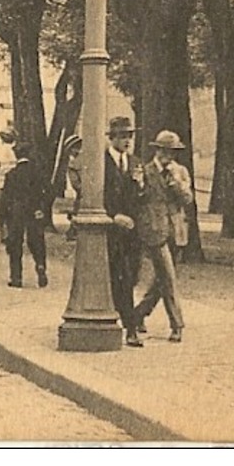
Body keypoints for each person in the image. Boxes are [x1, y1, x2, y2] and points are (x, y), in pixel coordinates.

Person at [136, 130, 194, 342]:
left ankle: (137, 315)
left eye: (173, 152)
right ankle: (177, 324)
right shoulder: (145, 170)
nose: (169, 156)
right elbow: (139, 198)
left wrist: (176, 184)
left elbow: (188, 199)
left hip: (177, 231)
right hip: (154, 231)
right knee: (168, 278)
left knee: (161, 280)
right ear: (158, 150)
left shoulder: (180, 171)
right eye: (166, 151)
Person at [104, 116, 145, 347]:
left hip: (132, 232)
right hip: (111, 231)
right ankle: (130, 329)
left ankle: (123, 316)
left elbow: (141, 197)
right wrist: (113, 216)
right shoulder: (101, 163)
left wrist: (140, 187)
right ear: (112, 138)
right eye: (121, 136)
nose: (126, 140)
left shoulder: (136, 162)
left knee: (131, 277)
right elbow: (93, 196)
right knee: (120, 276)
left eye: (129, 136)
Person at [0, 140, 50, 288]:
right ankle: (40, 265)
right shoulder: (37, 172)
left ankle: (17, 278)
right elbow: (47, 191)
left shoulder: (11, 175)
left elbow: (5, 197)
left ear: (16, 155)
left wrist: (1, 217)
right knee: (36, 240)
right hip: (34, 210)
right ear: (29, 154)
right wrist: (42, 209)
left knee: (15, 243)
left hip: (16, 211)